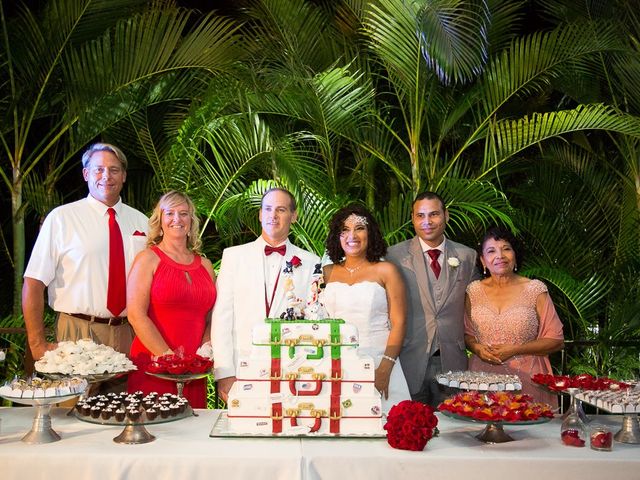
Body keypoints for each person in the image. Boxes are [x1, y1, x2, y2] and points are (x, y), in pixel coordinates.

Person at [22, 143, 149, 361]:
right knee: (77, 397)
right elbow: (33, 284)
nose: (106, 176)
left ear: (124, 176)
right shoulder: (62, 218)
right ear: (85, 174)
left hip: (130, 334)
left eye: (114, 170)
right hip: (77, 333)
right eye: (98, 169)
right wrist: (37, 345)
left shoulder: (143, 222)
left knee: (124, 397)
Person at [211, 187, 320, 402]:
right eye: (268, 209)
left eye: (281, 209)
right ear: (260, 215)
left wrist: (308, 369)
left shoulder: (310, 262)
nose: (273, 215)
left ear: (294, 216)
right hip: (243, 369)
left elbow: (314, 319)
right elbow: (222, 316)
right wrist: (224, 372)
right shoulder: (233, 257)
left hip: (293, 370)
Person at [386, 191, 479, 406]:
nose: (427, 222)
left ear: (446, 215)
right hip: (409, 359)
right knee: (410, 428)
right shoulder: (394, 256)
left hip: (453, 360)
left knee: (454, 432)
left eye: (434, 214)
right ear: (412, 218)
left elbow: (476, 304)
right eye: (420, 216)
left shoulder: (467, 256)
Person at [126, 191, 216, 408]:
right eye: (170, 213)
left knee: (191, 434)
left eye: (183, 213)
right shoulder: (147, 259)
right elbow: (135, 314)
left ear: (191, 221)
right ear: (160, 220)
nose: (177, 219)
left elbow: (212, 317)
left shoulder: (205, 265)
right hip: (153, 365)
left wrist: (204, 352)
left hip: (193, 372)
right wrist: (168, 358)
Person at [321, 205, 410, 413]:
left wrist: (385, 369)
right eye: (345, 229)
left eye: (359, 228)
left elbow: (399, 322)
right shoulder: (326, 272)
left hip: (379, 359)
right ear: (337, 236)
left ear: (370, 233)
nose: (352, 235)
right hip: (336, 364)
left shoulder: (386, 270)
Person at [464, 226, 564, 405]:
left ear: (515, 255)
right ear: (483, 260)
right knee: (484, 429)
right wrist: (477, 349)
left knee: (526, 429)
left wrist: (515, 349)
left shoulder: (535, 289)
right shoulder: (473, 291)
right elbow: (467, 334)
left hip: (527, 380)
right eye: (491, 251)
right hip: (483, 380)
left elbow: (556, 340)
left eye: (506, 249)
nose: (500, 256)